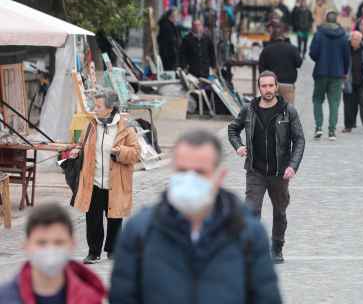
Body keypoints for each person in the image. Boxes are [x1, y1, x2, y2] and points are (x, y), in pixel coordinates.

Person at [110, 130, 282, 303]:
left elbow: (266, 298)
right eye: (183, 170)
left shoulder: (248, 232)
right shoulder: (139, 230)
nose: (190, 179)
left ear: (220, 175)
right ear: (172, 170)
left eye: (200, 172)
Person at [228, 71, 305, 264]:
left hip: (280, 171)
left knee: (279, 212)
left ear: (276, 87)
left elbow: (299, 140)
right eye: (264, 86)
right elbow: (232, 129)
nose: (268, 90)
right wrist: (238, 146)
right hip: (256, 169)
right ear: (259, 88)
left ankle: (277, 247)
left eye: (271, 86)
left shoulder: (288, 111)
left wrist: (293, 165)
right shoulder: (249, 109)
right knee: (251, 211)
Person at [68, 88, 141, 264]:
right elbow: (80, 144)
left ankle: (114, 249)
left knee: (114, 217)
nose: (95, 109)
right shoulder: (90, 125)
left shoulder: (125, 129)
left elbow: (136, 153)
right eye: (95, 105)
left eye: (99, 106)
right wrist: (76, 152)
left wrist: (120, 151)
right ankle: (93, 251)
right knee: (92, 218)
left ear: (111, 108)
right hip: (92, 181)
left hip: (116, 182)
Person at [0, 203, 107, 304]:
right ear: (26, 246)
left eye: (59, 242)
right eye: (41, 242)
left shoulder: (90, 298)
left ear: (72, 245)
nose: (50, 249)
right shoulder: (5, 298)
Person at [309, 11, 350, 141]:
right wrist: (345, 72)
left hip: (321, 71)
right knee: (334, 102)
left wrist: (320, 58)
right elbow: (346, 56)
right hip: (337, 73)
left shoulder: (319, 34)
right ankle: (332, 131)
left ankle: (318, 127)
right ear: (336, 21)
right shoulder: (343, 36)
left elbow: (312, 53)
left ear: (326, 20)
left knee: (317, 99)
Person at [259, 27, 303, 105]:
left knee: (272, 111)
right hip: (288, 84)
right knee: (289, 112)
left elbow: (261, 68)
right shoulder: (292, 48)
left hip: (272, 85)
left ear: (272, 37)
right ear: (283, 36)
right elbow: (299, 63)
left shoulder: (267, 49)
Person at [343, 31, 363, 134]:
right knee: (349, 106)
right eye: (353, 39)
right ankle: (348, 125)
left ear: (360, 40)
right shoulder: (345, 50)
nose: (355, 41)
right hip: (349, 82)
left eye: (358, 39)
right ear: (350, 39)